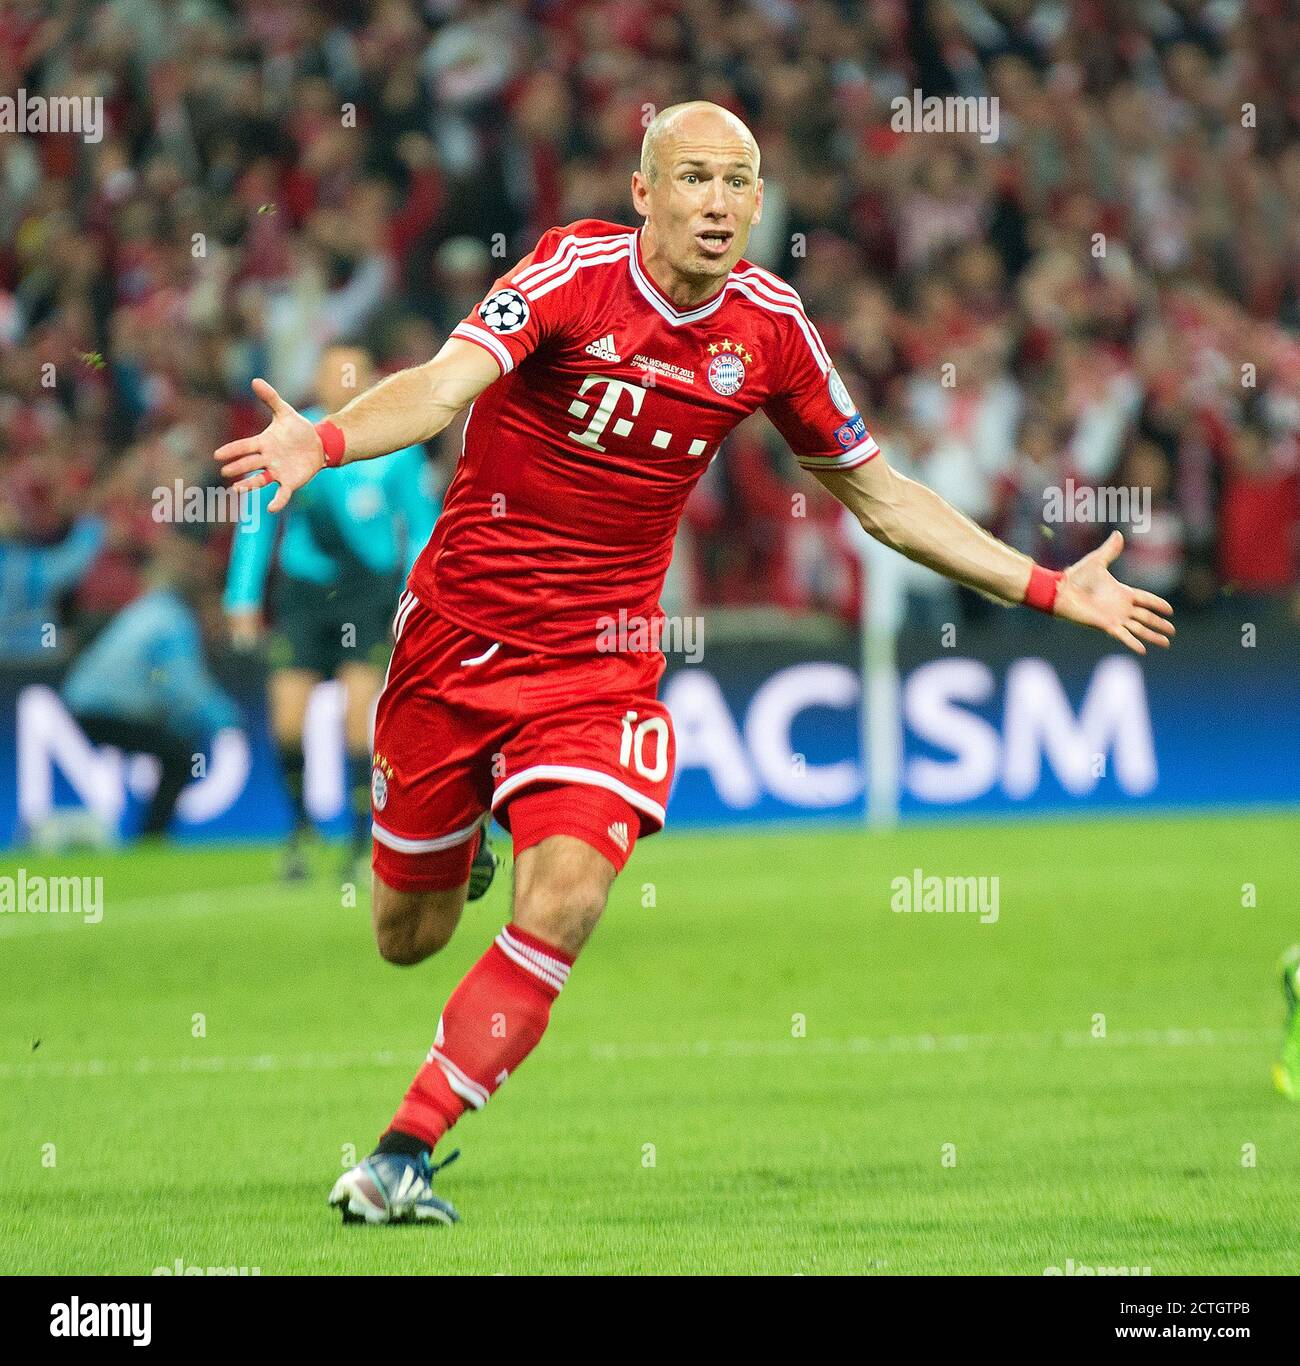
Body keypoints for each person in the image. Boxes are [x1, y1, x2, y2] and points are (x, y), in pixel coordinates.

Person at [214, 102, 1175, 1226]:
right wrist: (320, 440)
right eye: (695, 179)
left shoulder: (771, 330)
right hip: (456, 640)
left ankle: (401, 1151)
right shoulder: (569, 273)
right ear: (643, 193)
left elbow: (883, 499)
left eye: (738, 183)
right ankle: (465, 835)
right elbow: (439, 383)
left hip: (602, 664)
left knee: (568, 894)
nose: (718, 204)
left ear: (760, 205)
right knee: (406, 937)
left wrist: (1051, 583)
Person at [223, 344, 461, 884]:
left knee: (360, 721)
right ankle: (300, 832)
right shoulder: (294, 435)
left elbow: (423, 525)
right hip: (304, 596)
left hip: (368, 595)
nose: (343, 382)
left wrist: (414, 595)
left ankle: (359, 838)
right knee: (287, 723)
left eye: (352, 372)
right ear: (319, 379)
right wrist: (241, 599)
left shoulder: (395, 446)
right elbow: (257, 520)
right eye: (332, 372)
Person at [62, 534, 240, 840]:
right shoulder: (172, 619)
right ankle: (152, 837)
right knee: (180, 757)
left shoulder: (148, 609)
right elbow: (185, 686)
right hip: (104, 709)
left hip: (86, 704)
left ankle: (149, 834)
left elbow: (164, 684)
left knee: (172, 753)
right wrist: (227, 718)